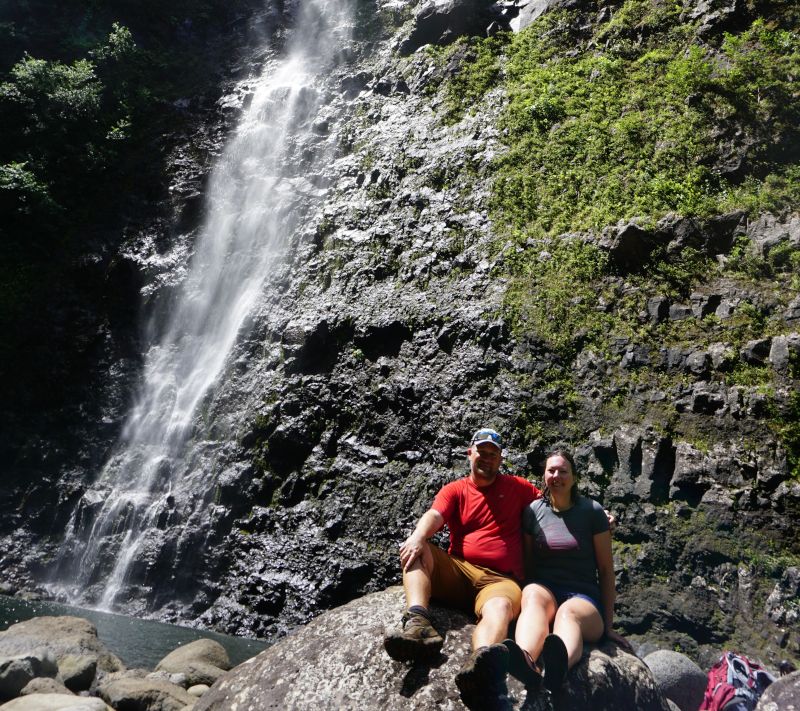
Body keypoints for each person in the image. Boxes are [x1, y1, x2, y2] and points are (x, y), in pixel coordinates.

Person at [383, 427, 543, 709]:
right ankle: (419, 624)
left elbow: (555, 505)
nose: (487, 458)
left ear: (500, 459)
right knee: (417, 549)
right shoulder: (455, 490)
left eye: (493, 454)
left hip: (499, 581)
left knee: (500, 608)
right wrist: (418, 536)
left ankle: (481, 665)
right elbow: (435, 515)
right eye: (482, 452)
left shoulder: (518, 488)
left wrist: (596, 516)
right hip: (460, 569)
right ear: (470, 453)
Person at [505, 449, 630, 694]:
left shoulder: (593, 512)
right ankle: (526, 661)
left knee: (568, 613)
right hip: (546, 590)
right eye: (551, 470)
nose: (556, 476)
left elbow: (606, 570)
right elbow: (529, 563)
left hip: (583, 599)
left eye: (563, 471)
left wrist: (608, 626)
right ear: (544, 475)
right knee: (532, 594)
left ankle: (558, 669)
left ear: (574, 477)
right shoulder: (533, 511)